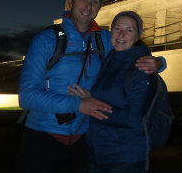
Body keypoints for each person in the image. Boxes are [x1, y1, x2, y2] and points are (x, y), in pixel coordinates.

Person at [17, 0, 165, 173]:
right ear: (71, 2)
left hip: (84, 141)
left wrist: (158, 62)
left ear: (100, 6)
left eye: (95, 1)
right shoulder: (46, 39)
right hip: (43, 137)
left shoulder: (105, 39)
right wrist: (78, 104)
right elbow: (26, 96)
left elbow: (131, 46)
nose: (88, 7)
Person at [68, 11, 158, 172]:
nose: (121, 34)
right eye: (117, 28)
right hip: (98, 152)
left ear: (138, 35)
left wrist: (92, 107)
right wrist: (90, 98)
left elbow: (132, 118)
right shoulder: (110, 59)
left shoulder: (141, 67)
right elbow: (110, 97)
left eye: (129, 30)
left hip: (124, 157)